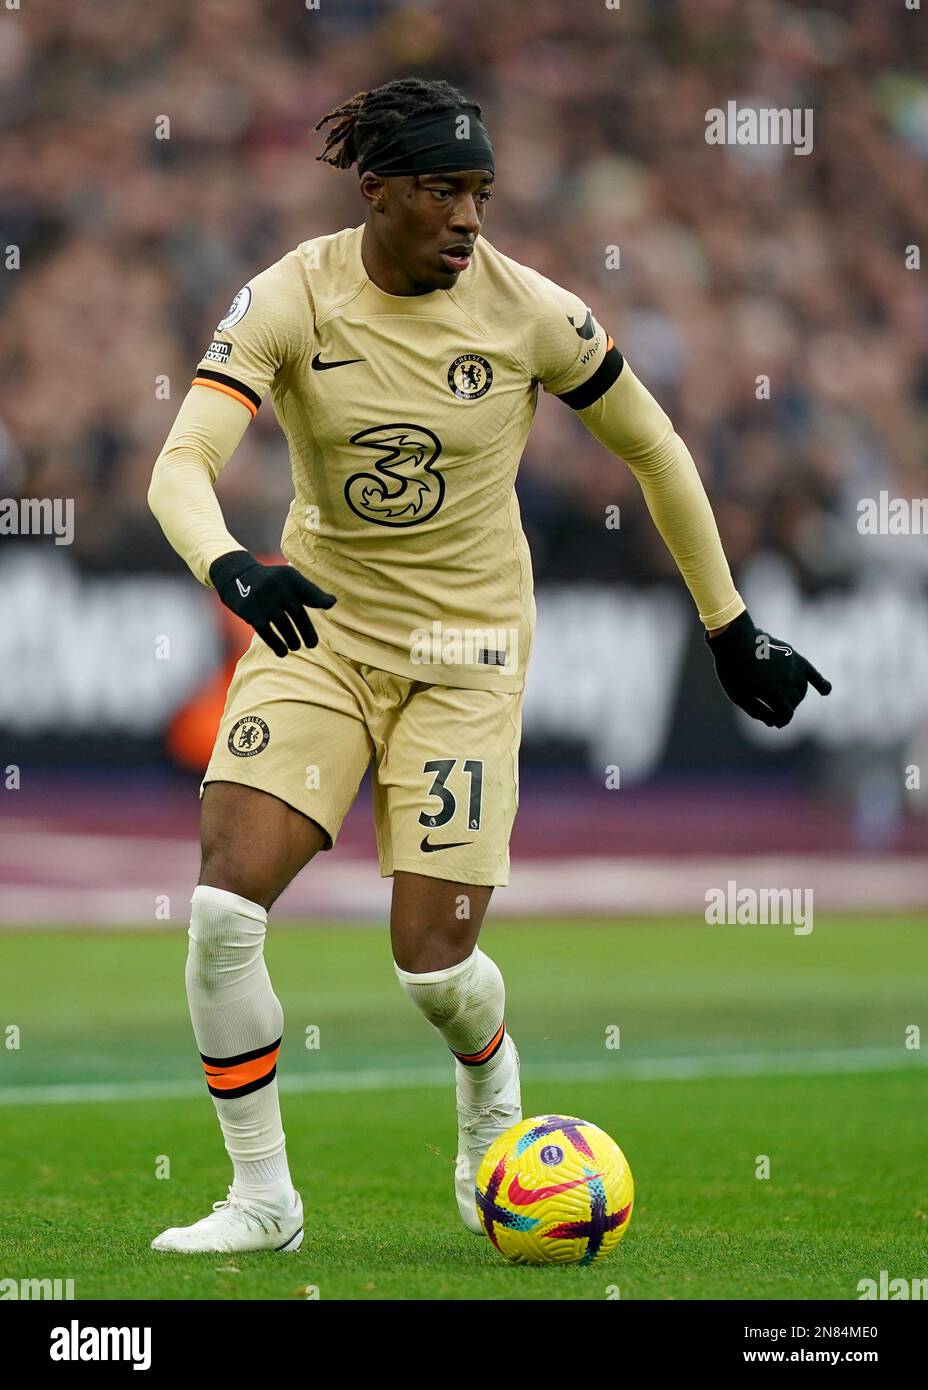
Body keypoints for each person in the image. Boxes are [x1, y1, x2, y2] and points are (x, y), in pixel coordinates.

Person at [146, 76, 831, 1254]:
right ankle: (263, 1198)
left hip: (466, 660)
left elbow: (655, 451)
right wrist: (230, 566)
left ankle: (490, 1097)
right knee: (221, 908)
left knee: (431, 964)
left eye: (479, 193)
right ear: (376, 194)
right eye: (441, 191)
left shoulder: (533, 314)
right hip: (321, 630)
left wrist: (728, 626)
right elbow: (180, 462)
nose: (468, 217)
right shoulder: (292, 296)